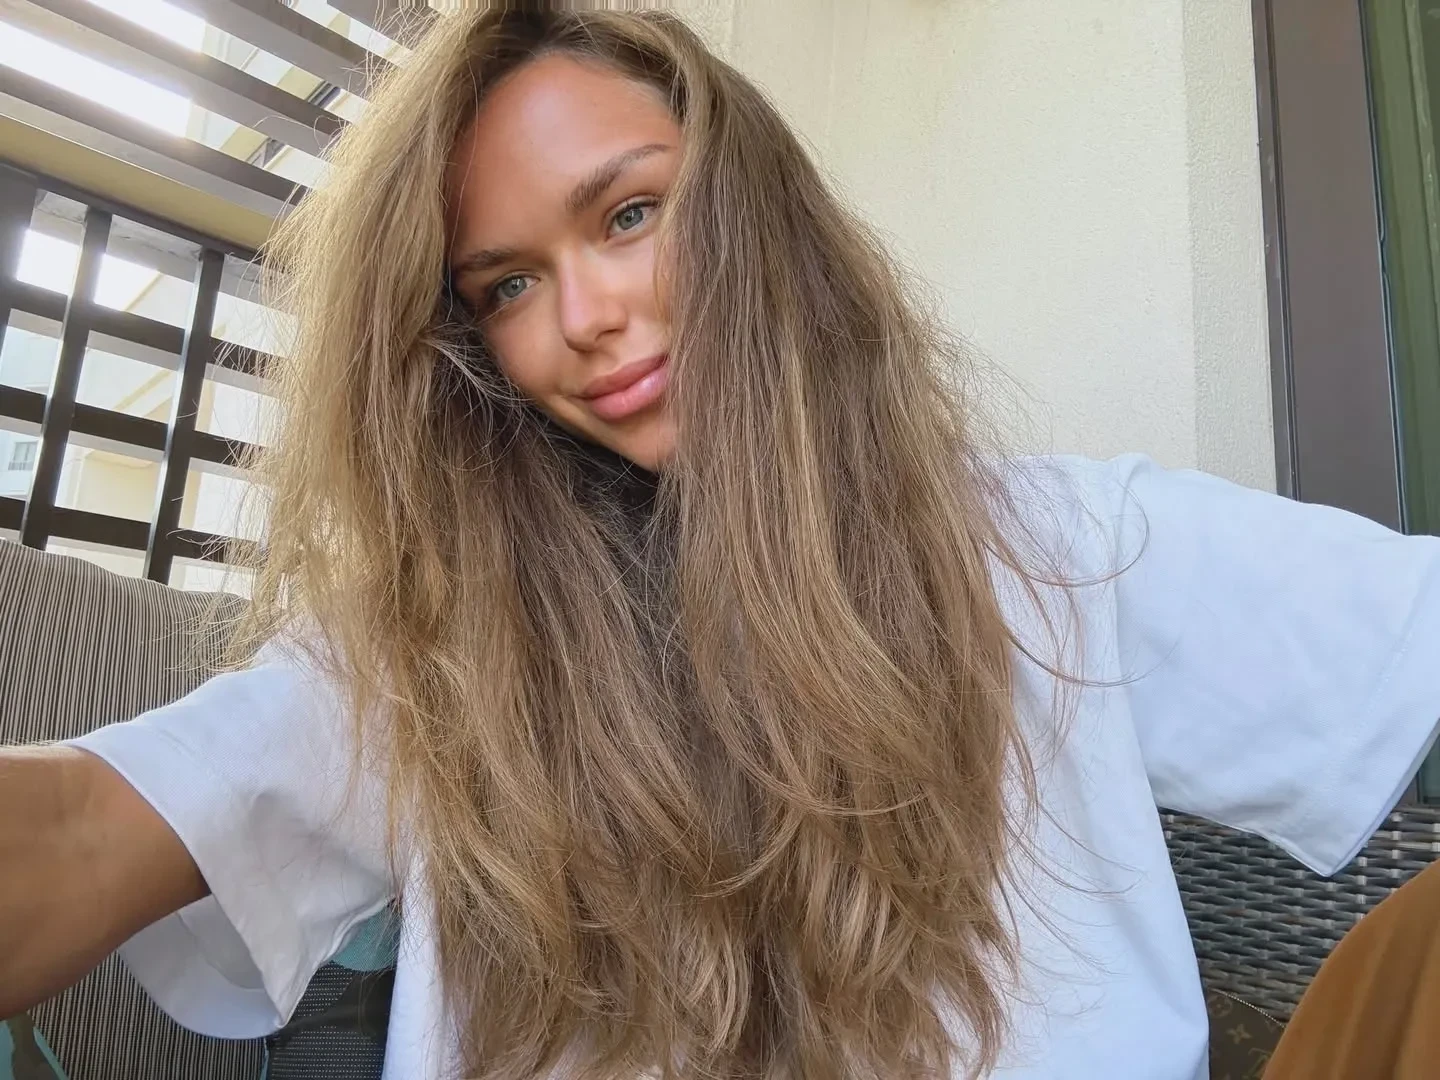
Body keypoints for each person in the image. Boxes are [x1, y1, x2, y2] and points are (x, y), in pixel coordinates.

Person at [2, 6, 1440, 1079]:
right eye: (507, 286)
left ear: (757, 206)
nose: (585, 318)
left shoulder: (1063, 550)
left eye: (630, 214)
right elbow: (76, 835)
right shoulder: (442, 656)